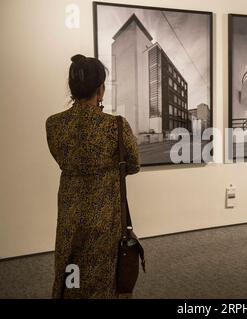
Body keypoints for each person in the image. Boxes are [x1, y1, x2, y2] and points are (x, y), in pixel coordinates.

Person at [46, 54, 140, 298]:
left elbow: (60, 158)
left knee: (70, 267)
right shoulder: (115, 126)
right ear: (101, 89)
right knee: (102, 275)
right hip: (105, 216)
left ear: (72, 87)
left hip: (70, 213)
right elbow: (133, 165)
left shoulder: (53, 124)